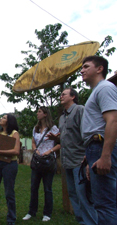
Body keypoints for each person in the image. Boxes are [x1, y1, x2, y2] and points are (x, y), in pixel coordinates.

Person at [47, 88, 97, 224]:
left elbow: (87, 134)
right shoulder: (62, 117)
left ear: (73, 97)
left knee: (84, 196)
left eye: (64, 94)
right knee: (74, 195)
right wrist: (56, 139)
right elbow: (65, 139)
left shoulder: (80, 110)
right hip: (66, 162)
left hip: (79, 161)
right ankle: (82, 222)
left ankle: (91, 222)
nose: (60, 96)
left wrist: (87, 158)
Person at [80, 56, 117, 224]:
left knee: (105, 204)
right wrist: (90, 157)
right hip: (95, 148)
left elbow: (113, 120)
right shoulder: (96, 92)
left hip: (102, 148)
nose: (82, 70)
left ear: (100, 68)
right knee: (102, 201)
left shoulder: (105, 88)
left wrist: (105, 156)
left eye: (86, 66)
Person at [23, 106, 60, 222]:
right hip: (37, 160)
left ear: (45, 114)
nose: (37, 114)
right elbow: (33, 142)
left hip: (48, 160)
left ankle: (47, 213)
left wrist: (50, 151)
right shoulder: (36, 128)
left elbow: (59, 143)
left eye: (39, 112)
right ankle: (31, 212)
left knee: (47, 188)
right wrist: (35, 150)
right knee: (34, 187)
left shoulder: (53, 128)